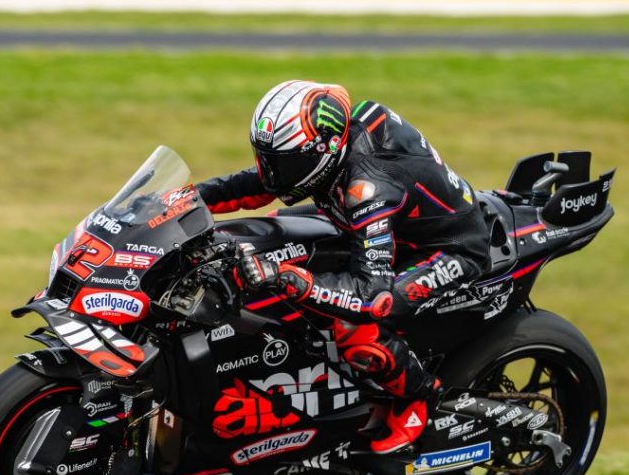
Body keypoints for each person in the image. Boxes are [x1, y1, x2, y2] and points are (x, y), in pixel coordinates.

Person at [196, 80, 490, 454]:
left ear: (320, 151)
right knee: (268, 232)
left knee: (355, 327)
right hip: (374, 224)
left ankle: (420, 399)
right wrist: (189, 199)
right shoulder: (329, 149)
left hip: (448, 249)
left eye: (283, 161)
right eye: (266, 156)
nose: (271, 170)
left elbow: (373, 295)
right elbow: (260, 184)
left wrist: (289, 279)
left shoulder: (368, 189)